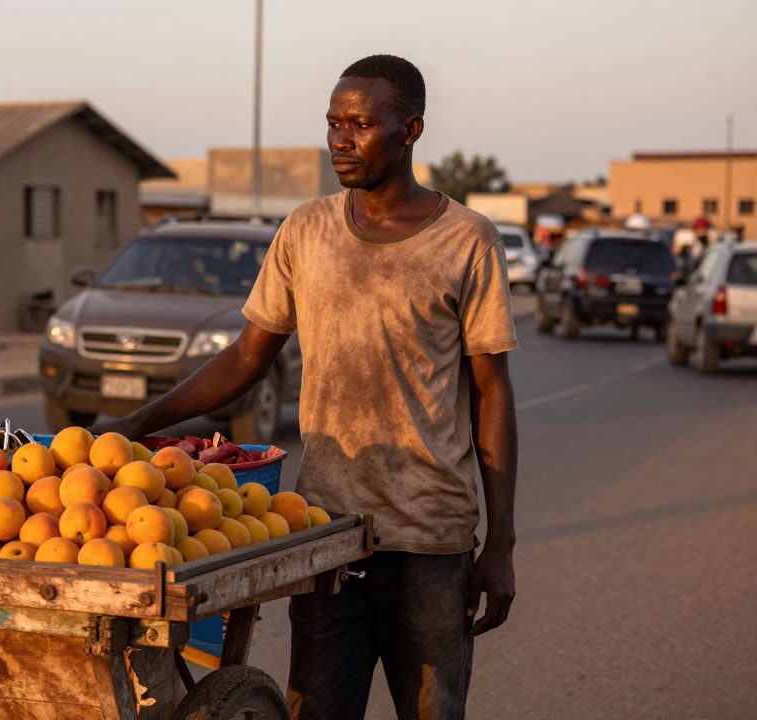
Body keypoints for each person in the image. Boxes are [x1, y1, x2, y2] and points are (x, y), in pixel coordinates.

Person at [91, 54, 518, 720]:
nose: (340, 140)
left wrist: (501, 545)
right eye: (333, 123)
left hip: (433, 541)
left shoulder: (466, 240)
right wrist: (140, 423)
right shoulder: (305, 231)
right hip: (327, 537)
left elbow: (493, 392)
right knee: (316, 709)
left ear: (410, 131)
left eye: (361, 124)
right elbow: (247, 358)